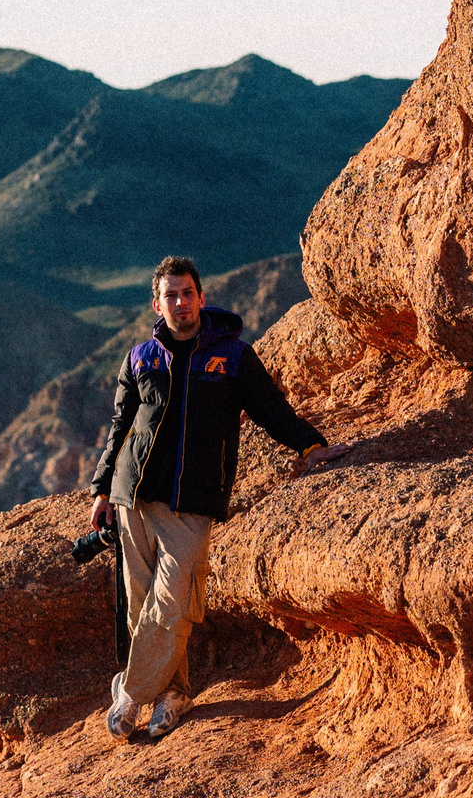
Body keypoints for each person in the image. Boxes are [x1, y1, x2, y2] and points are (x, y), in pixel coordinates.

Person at [88, 255, 342, 743]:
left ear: (201, 297)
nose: (180, 303)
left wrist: (312, 444)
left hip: (193, 501)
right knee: (141, 603)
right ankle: (173, 693)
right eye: (170, 296)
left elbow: (270, 408)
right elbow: (119, 427)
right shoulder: (141, 357)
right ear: (157, 304)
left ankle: (131, 693)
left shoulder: (232, 355)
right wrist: (102, 488)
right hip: (133, 495)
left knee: (173, 602)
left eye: (187, 293)